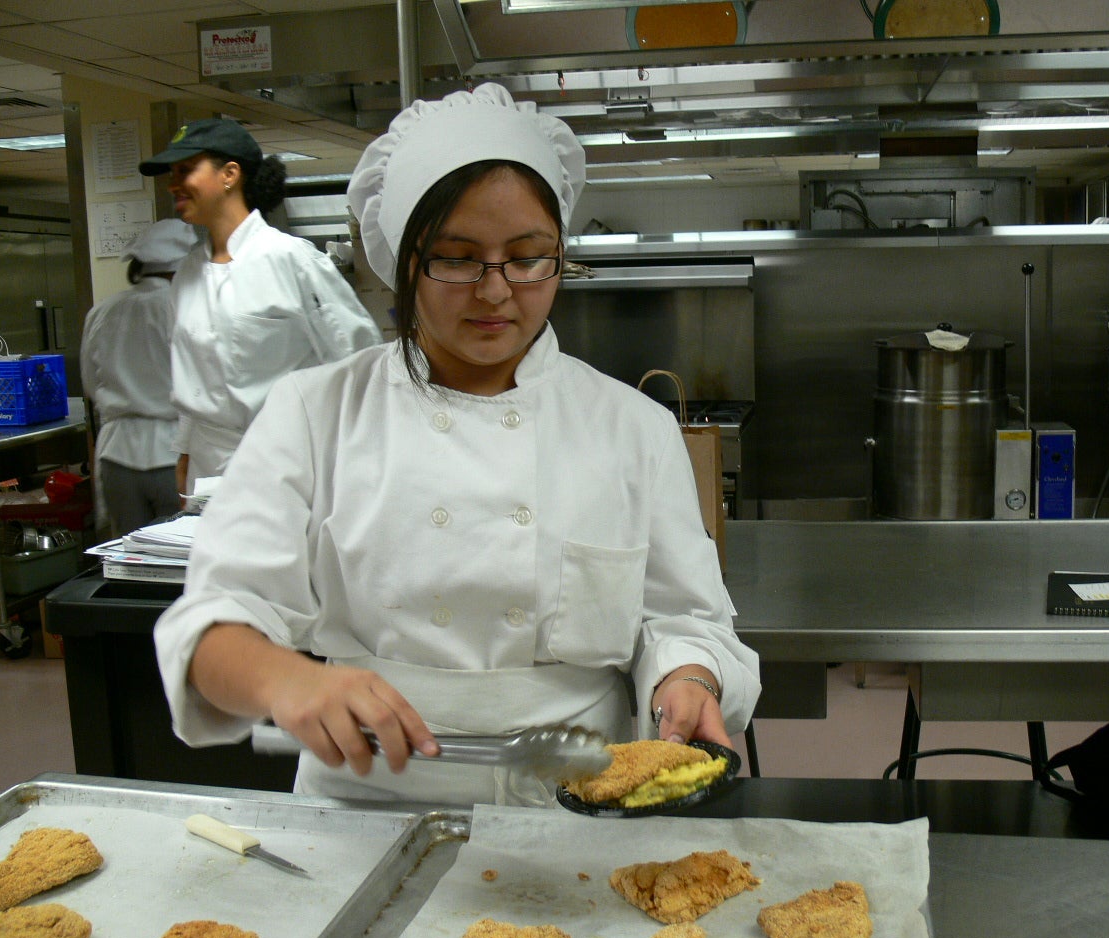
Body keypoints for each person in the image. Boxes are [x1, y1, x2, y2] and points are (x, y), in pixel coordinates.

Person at [153, 84, 761, 806]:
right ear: (405, 262)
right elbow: (211, 624)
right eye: (458, 257)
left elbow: (684, 616)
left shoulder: (631, 426)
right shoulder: (316, 412)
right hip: (364, 802)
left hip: (575, 801)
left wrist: (687, 677)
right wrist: (288, 680)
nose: (497, 290)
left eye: (529, 257)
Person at [138, 118, 381, 496]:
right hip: (205, 469)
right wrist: (183, 453)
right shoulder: (186, 274)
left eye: (185, 170)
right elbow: (191, 376)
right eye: (172, 173)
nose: (173, 184)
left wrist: (360, 464)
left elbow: (358, 360)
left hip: (284, 462)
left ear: (229, 175)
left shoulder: (290, 259)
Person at [80, 219, 197, 535]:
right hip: (173, 454)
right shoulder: (182, 308)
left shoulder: (102, 311)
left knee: (129, 561)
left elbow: (91, 385)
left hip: (117, 458)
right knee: (179, 562)